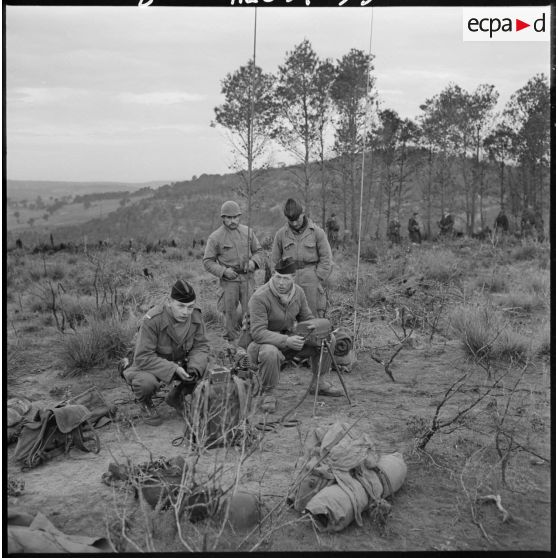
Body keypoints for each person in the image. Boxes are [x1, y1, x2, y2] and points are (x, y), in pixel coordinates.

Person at [247, 257, 342, 411]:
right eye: (277, 277)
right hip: (262, 344)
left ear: (293, 278)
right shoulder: (260, 297)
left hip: (291, 340)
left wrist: (316, 329)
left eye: (285, 278)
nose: (281, 283)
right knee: (270, 352)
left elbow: (307, 319)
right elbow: (258, 333)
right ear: (272, 276)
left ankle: (319, 383)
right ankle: (268, 393)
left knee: (327, 339)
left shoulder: (298, 292)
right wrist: (287, 340)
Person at [122, 279, 210, 426]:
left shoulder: (195, 316)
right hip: (147, 364)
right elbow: (143, 357)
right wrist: (174, 369)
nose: (185, 312)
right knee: (146, 383)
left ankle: (178, 395)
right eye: (181, 306)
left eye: (190, 307)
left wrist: (194, 369)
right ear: (169, 302)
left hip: (180, 361)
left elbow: (201, 346)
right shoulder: (153, 320)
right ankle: (145, 403)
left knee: (208, 368)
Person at [203, 201, 264, 341]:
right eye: (229, 218)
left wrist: (253, 262)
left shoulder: (248, 231)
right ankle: (230, 344)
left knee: (251, 311)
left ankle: (250, 341)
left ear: (239, 217)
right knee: (229, 314)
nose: (232, 221)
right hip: (229, 281)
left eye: (235, 217)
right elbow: (207, 261)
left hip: (248, 279)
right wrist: (223, 271)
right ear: (223, 218)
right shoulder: (215, 237)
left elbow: (259, 251)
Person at [271, 198, 332, 318]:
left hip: (310, 277)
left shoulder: (317, 232)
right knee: (288, 313)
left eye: (296, 219)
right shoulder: (281, 234)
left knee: (311, 313)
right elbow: (274, 260)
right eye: (290, 220)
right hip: (289, 277)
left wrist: (318, 277)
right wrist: (279, 280)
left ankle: (311, 336)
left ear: (303, 213)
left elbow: (326, 257)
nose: (294, 223)